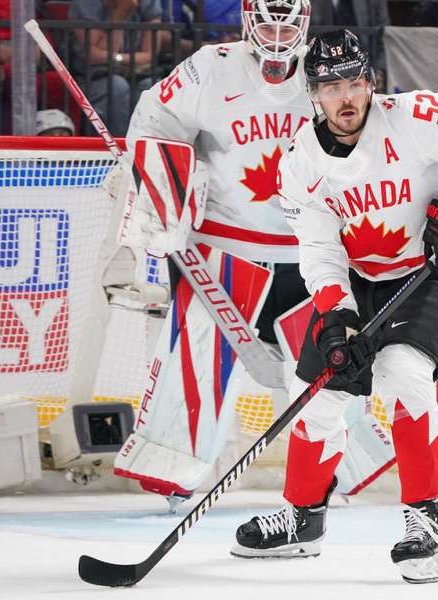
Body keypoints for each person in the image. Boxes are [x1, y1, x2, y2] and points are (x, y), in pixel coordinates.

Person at [230, 30, 438, 584]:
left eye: (353, 82)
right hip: (363, 280)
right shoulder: (299, 164)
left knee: (402, 373)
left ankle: (427, 522)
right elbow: (319, 250)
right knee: (317, 389)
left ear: (371, 82)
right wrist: (338, 314)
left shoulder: (421, 117)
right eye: (330, 86)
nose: (345, 98)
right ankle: (302, 517)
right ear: (312, 94)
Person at [110, 0, 323, 500]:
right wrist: (168, 190)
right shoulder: (211, 67)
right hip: (223, 252)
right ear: (248, 20)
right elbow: (155, 121)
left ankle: (345, 466)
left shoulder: (326, 71)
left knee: (333, 365)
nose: (277, 34)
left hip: (311, 255)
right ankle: (171, 466)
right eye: (268, 21)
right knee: (197, 354)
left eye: (287, 23)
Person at [71, 0, 171, 135]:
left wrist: (116, 59)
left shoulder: (148, 3)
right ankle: (117, 150)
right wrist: (119, 16)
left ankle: (149, 149)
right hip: (92, 78)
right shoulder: (86, 4)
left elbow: (149, 55)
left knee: (152, 87)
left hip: (139, 74)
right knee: (117, 86)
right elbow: (94, 55)